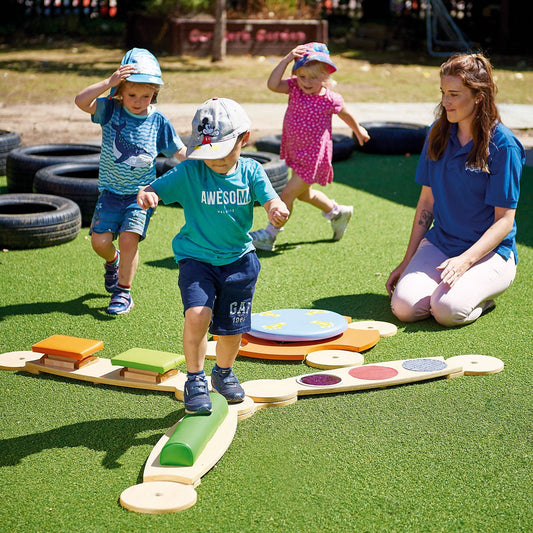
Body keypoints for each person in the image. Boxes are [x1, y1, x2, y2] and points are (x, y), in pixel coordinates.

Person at [137, 97, 289, 414]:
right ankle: (195, 379)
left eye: (222, 151)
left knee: (231, 329)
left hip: (239, 262)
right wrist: (148, 194)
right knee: (197, 315)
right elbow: (152, 189)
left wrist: (276, 209)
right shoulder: (192, 171)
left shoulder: (251, 171)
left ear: (243, 139)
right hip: (197, 259)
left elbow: (271, 200)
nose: (215, 161)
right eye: (209, 153)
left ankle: (223, 373)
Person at [386, 53, 525, 327]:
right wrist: (407, 261)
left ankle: (481, 300)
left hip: (489, 253)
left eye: (453, 94)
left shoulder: (503, 145)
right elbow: (426, 203)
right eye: (442, 93)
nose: (445, 102)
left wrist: (464, 262)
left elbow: (505, 221)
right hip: (442, 243)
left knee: (447, 310)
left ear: (478, 97)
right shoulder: (437, 132)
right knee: (403, 307)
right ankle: (447, 291)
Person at [74, 48, 186, 315]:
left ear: (154, 94)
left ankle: (123, 292)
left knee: (128, 239)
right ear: (121, 91)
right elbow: (80, 101)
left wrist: (204, 162)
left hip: (141, 194)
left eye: (146, 95)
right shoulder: (111, 110)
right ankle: (113, 262)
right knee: (99, 242)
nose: (138, 100)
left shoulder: (158, 121)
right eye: (132, 94)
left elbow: (178, 152)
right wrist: (107, 83)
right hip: (111, 192)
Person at [250, 42, 370, 251]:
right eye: (302, 76)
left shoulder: (329, 99)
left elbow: (345, 113)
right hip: (296, 152)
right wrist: (287, 59)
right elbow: (272, 84)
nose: (306, 82)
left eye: (313, 78)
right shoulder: (294, 88)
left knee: (286, 195)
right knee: (304, 194)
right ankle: (337, 212)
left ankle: (270, 234)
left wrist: (358, 129)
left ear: (326, 76)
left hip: (313, 158)